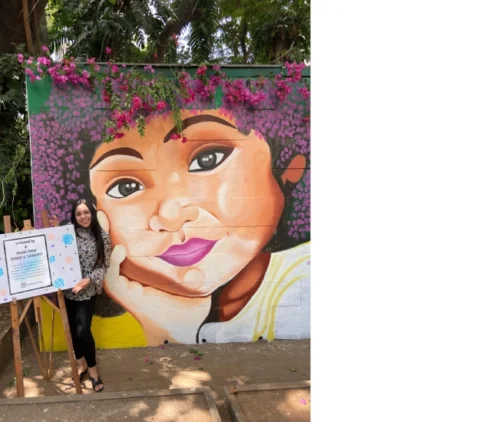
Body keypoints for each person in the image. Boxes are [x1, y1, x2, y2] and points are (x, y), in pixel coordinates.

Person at [88, 109, 310, 346]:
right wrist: (170, 325)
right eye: (126, 188)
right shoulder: (129, 320)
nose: (172, 216)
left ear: (287, 165)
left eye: (208, 159)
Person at [63, 198, 111, 392]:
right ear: (74, 217)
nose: (83, 217)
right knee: (73, 331)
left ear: (92, 213)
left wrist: (88, 280)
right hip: (68, 290)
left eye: (86, 212)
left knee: (83, 330)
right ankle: (80, 362)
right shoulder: (67, 234)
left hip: (87, 291)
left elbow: (104, 265)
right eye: (78, 213)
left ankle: (93, 370)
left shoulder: (102, 236)